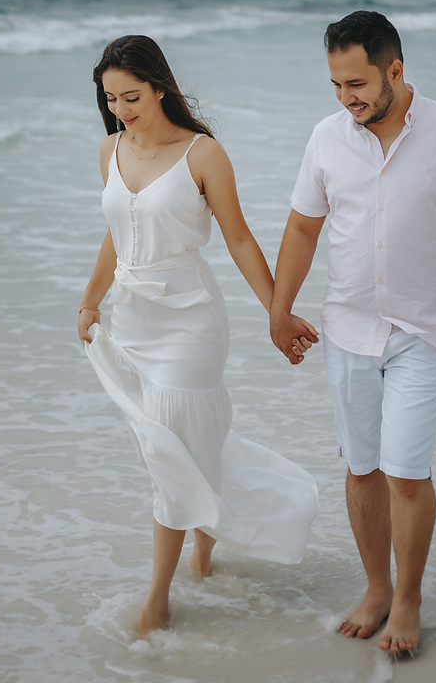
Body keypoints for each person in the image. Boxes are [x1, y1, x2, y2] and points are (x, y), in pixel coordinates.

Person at [269, 11, 436, 655]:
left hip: (425, 333)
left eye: (357, 85)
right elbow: (301, 229)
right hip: (347, 328)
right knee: (362, 466)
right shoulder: (326, 138)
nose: (347, 99)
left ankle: (408, 597)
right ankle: (377, 586)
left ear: (394, 71)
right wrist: (278, 307)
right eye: (336, 86)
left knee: (406, 471)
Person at [78, 35, 320, 637]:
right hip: (134, 318)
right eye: (111, 99)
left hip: (190, 320)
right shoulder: (109, 150)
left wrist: (277, 312)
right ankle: (204, 537)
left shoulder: (203, 154)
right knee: (181, 443)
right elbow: (116, 232)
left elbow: (239, 239)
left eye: (130, 96)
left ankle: (157, 598)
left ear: (160, 87)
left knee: (169, 448)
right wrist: (90, 298)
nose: (121, 110)